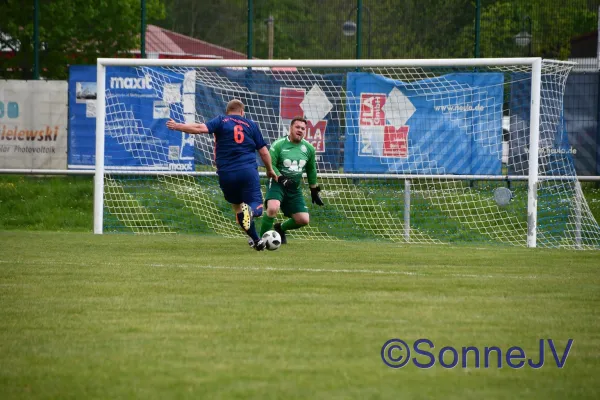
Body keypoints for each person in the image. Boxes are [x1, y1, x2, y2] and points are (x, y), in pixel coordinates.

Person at [166, 99, 277, 251]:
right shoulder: (250, 124)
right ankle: (251, 212)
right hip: (247, 171)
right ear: (242, 112)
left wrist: (177, 126)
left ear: (227, 111)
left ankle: (256, 240)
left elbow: (199, 128)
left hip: (226, 173)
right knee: (255, 208)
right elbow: (263, 151)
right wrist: (270, 170)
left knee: (238, 208)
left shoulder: (221, 120)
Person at [259, 117, 324, 244]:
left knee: (303, 220)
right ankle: (260, 241)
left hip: (294, 188)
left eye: (303, 128)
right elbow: (271, 165)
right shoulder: (278, 145)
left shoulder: (309, 148)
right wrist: (281, 178)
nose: (300, 130)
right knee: (273, 208)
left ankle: (280, 228)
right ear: (291, 129)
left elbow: (311, 170)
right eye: (297, 127)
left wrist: (314, 189)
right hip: (277, 184)